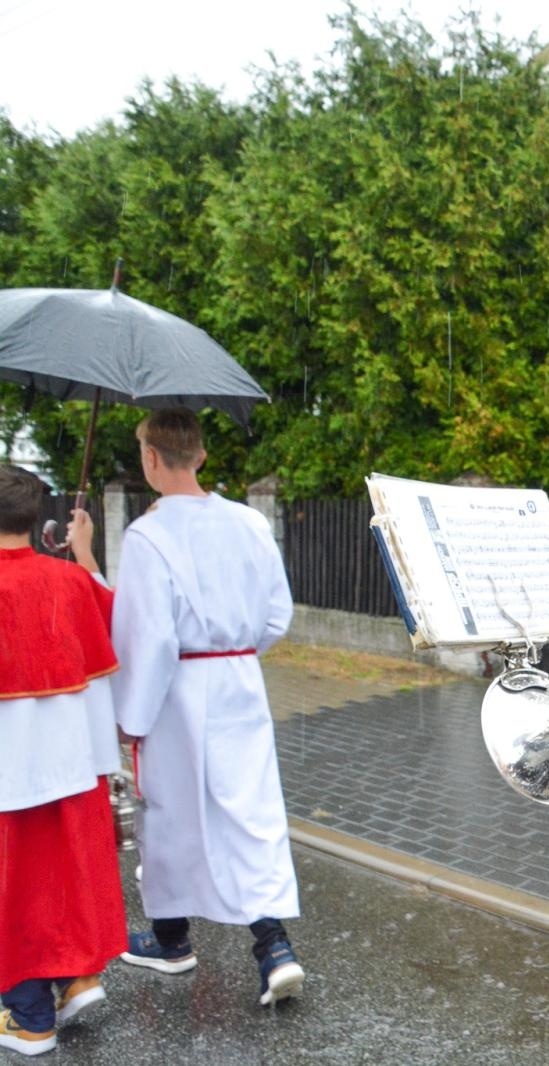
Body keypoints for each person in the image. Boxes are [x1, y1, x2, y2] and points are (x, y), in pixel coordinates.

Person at [109, 408, 305, 1008]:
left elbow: (150, 637)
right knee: (250, 811)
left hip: (178, 687)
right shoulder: (249, 522)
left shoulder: (148, 536)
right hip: (240, 677)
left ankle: (172, 939)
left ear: (150, 458)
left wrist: (129, 718)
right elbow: (278, 615)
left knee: (170, 813)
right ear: (200, 456)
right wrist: (236, 652)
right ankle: (274, 947)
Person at [0, 468, 126, 1057]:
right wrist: (85, 555)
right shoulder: (71, 583)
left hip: (10, 765)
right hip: (73, 757)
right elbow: (117, 622)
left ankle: (30, 1019)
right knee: (60, 873)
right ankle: (77, 974)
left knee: (15, 886)